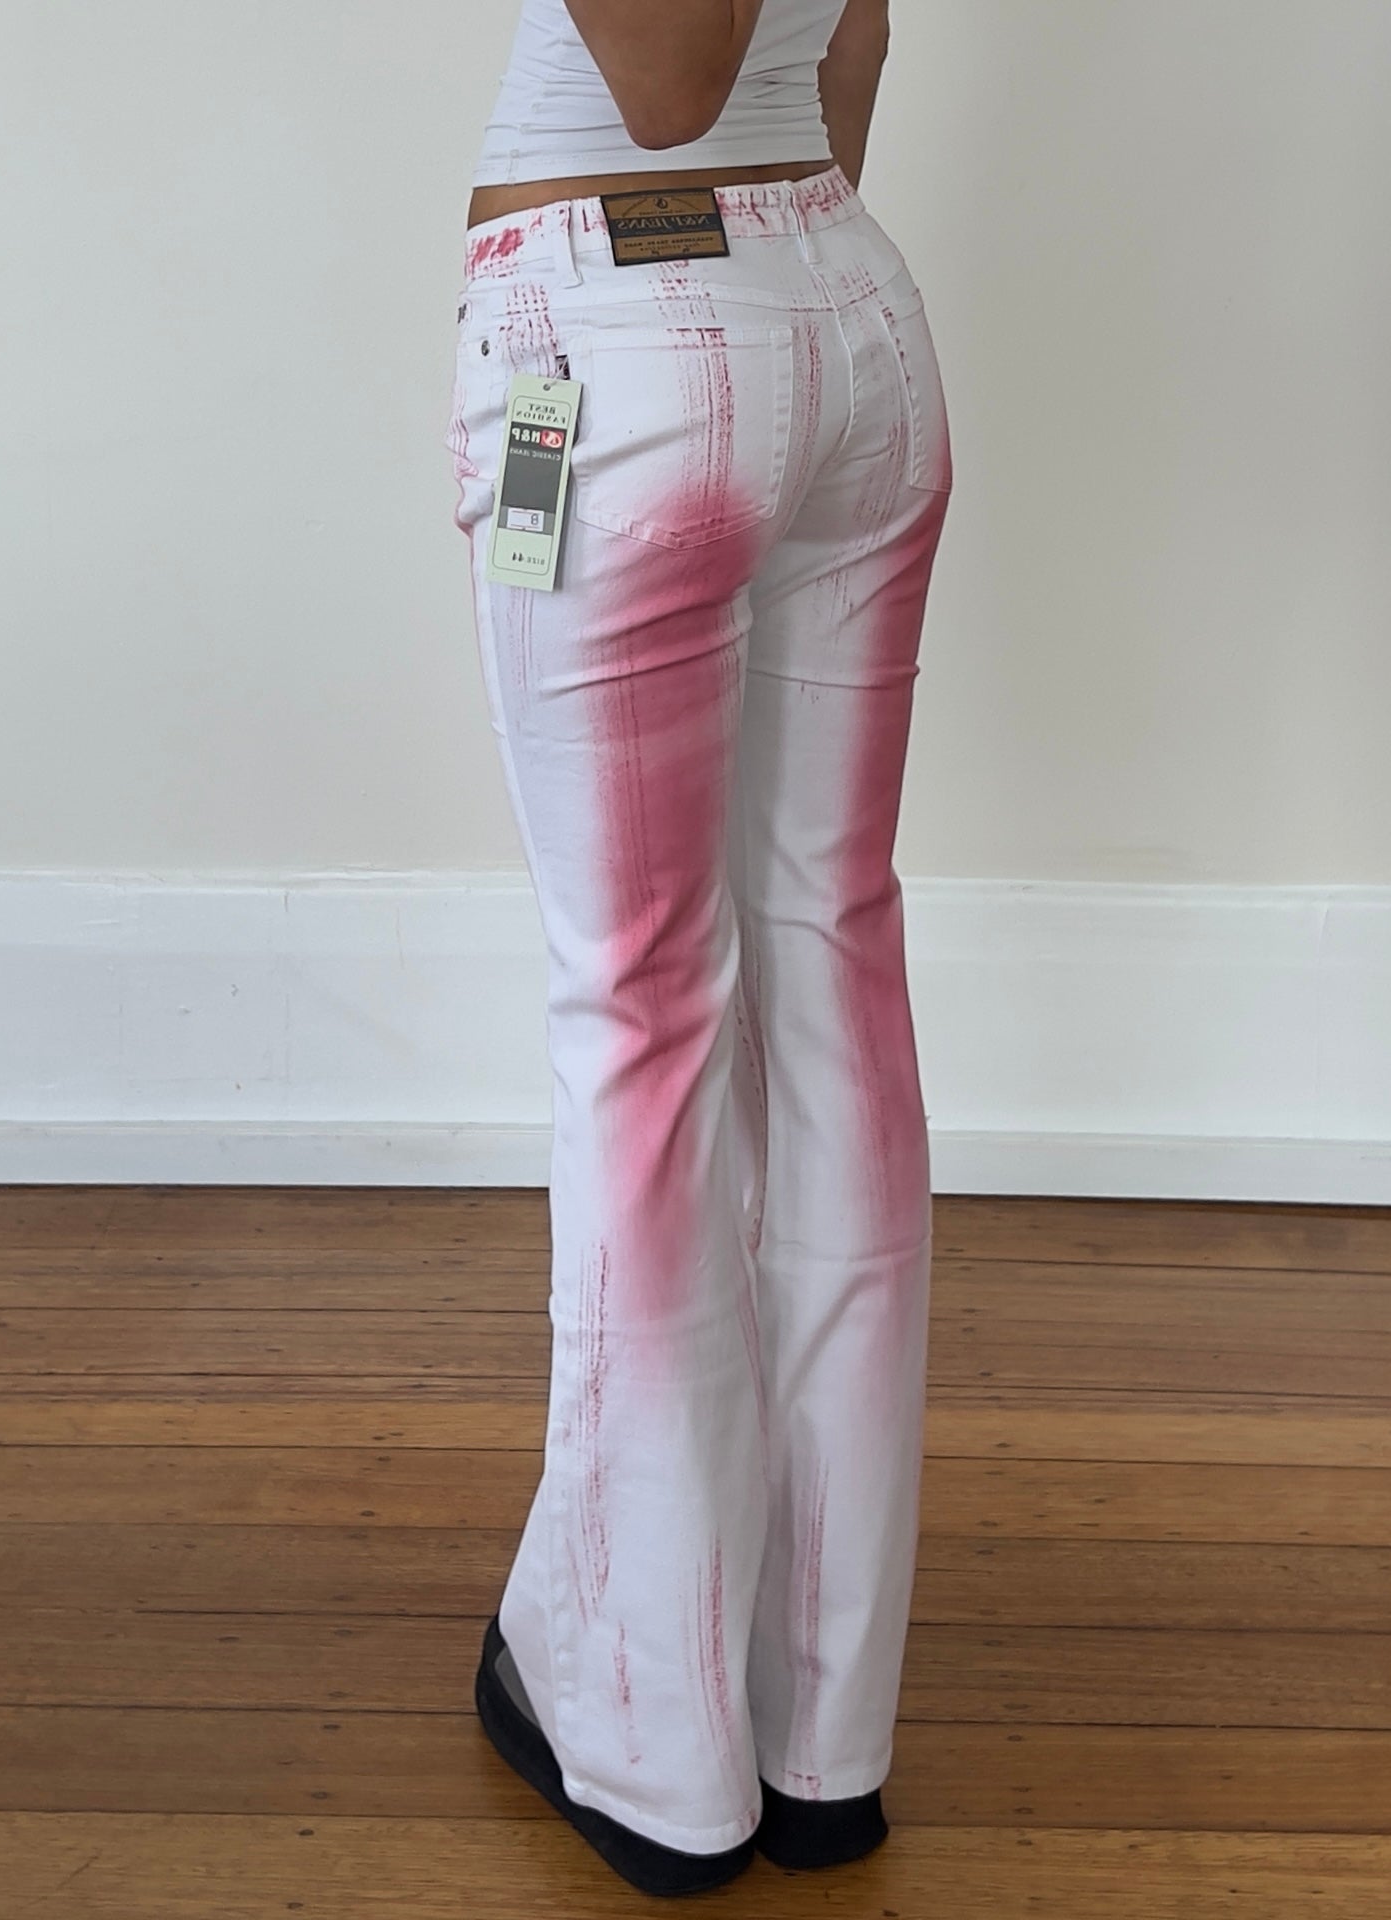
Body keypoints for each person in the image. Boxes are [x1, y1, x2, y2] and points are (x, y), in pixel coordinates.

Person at [447, 0, 953, 1897]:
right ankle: (822, 1728)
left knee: (640, 1009)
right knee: (828, 972)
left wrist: (699, 317)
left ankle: (653, 1746)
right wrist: (764, 293)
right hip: (842, 310)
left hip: (616, 340)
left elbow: (666, 89)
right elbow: (849, 44)